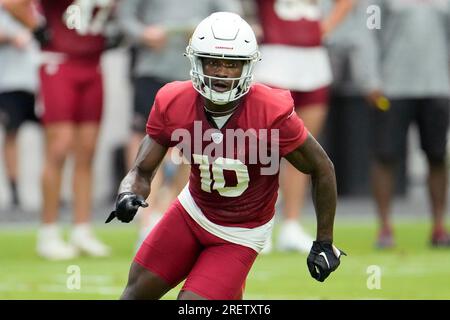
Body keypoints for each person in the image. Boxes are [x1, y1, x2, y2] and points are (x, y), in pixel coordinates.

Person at [106, 12, 345, 300]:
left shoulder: (271, 111)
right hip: (191, 212)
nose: (221, 72)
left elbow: (322, 168)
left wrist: (324, 241)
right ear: (197, 62)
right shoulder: (173, 101)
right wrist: (127, 193)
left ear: (247, 67)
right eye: (213, 61)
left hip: (240, 232)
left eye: (231, 64)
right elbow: (142, 171)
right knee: (132, 296)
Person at [117, 0, 242, 248]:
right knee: (149, 142)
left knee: (193, 147)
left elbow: (233, 18)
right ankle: (148, 216)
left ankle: (172, 211)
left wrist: (205, 33)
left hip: (195, 74)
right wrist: (143, 34)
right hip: (152, 69)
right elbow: (124, 19)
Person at [3, 0, 113, 260]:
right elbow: (11, 3)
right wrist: (36, 26)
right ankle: (49, 231)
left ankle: (82, 229)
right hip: (58, 62)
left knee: (87, 150)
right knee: (59, 147)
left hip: (92, 64)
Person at [249, 0, 353, 254]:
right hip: (273, 56)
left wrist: (326, 25)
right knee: (263, 150)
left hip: (313, 59)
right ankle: (256, 223)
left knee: (303, 148)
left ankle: (292, 224)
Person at [366, 0, 450, 248]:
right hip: (392, 87)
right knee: (385, 156)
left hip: (436, 86)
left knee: (436, 156)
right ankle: (384, 228)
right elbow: (369, 35)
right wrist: (370, 78)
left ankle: (438, 226)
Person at [0, 6, 39, 209]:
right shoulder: (5, 9)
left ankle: (52, 186)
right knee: (11, 134)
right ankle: (14, 188)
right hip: (9, 83)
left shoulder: (37, 8)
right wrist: (9, 37)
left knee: (55, 134)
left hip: (39, 82)